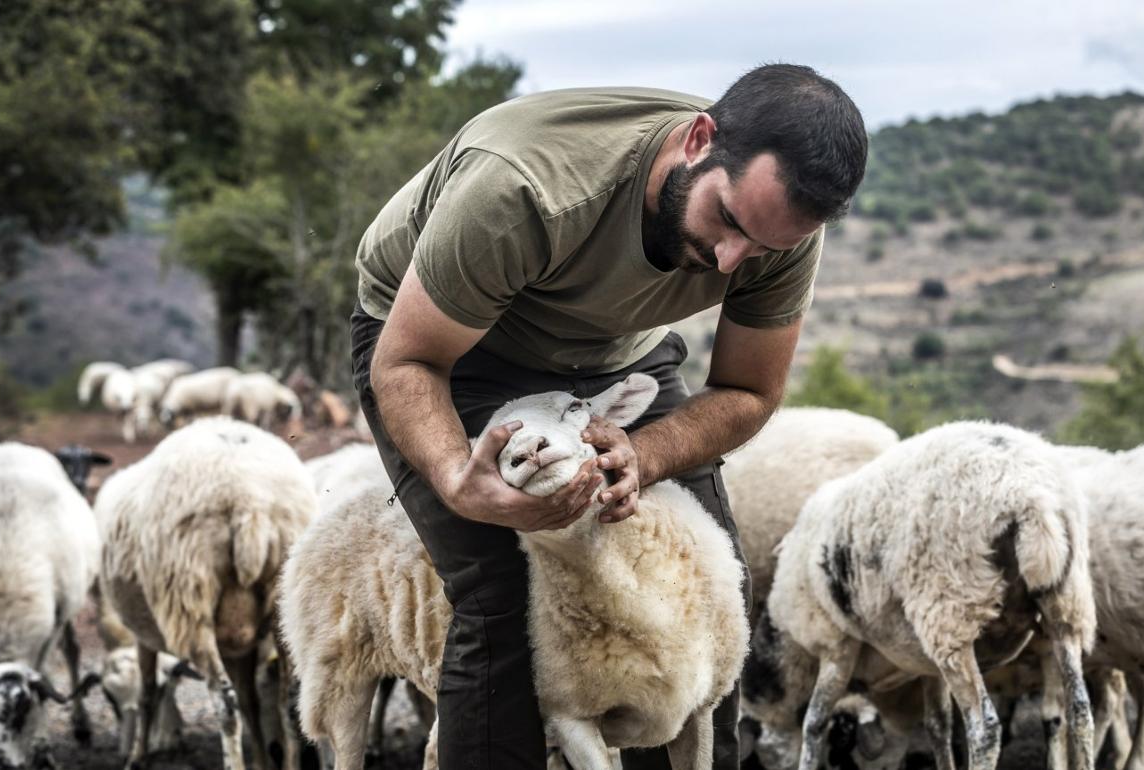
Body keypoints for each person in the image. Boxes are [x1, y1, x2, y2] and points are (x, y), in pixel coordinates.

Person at [349, 63, 867, 769]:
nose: (729, 259)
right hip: (448, 346)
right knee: (500, 594)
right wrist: (454, 479)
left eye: (762, 249)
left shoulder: (778, 226)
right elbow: (407, 362)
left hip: (612, 353)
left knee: (706, 576)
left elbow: (749, 390)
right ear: (700, 140)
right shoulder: (526, 188)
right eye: (728, 221)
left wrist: (644, 454)